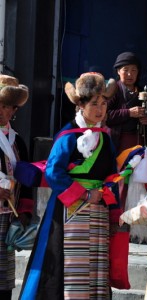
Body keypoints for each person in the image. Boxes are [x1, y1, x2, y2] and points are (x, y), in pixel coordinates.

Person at [19, 72, 120, 299]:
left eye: (104, 103)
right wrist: (85, 194)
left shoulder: (105, 138)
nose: (100, 109)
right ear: (80, 105)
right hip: (69, 213)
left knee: (95, 270)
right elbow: (54, 172)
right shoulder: (68, 136)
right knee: (65, 268)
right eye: (94, 103)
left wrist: (114, 214)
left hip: (98, 215)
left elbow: (112, 177)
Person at [0, 75, 33, 300]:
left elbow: (26, 181)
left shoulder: (17, 140)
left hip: (7, 220)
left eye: (9, 107)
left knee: (3, 281)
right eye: (1, 105)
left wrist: (23, 213)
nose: (5, 111)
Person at [106, 51, 147, 155]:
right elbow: (105, 116)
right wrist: (128, 112)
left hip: (139, 141)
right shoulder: (113, 91)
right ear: (118, 71)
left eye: (134, 70)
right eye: (125, 70)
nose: (130, 74)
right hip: (118, 142)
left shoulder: (143, 93)